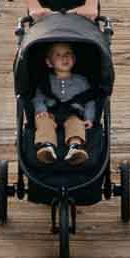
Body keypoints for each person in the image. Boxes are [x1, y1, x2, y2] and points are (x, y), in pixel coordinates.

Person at [29, 40, 99, 168]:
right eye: (58, 55)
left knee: (76, 123)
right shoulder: (45, 81)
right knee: (44, 121)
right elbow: (38, 98)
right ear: (49, 63)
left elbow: (89, 100)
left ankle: (75, 147)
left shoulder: (81, 81)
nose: (64, 58)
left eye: (68, 53)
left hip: (73, 113)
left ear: (74, 58)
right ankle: (46, 146)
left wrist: (89, 118)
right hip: (50, 112)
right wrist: (41, 110)